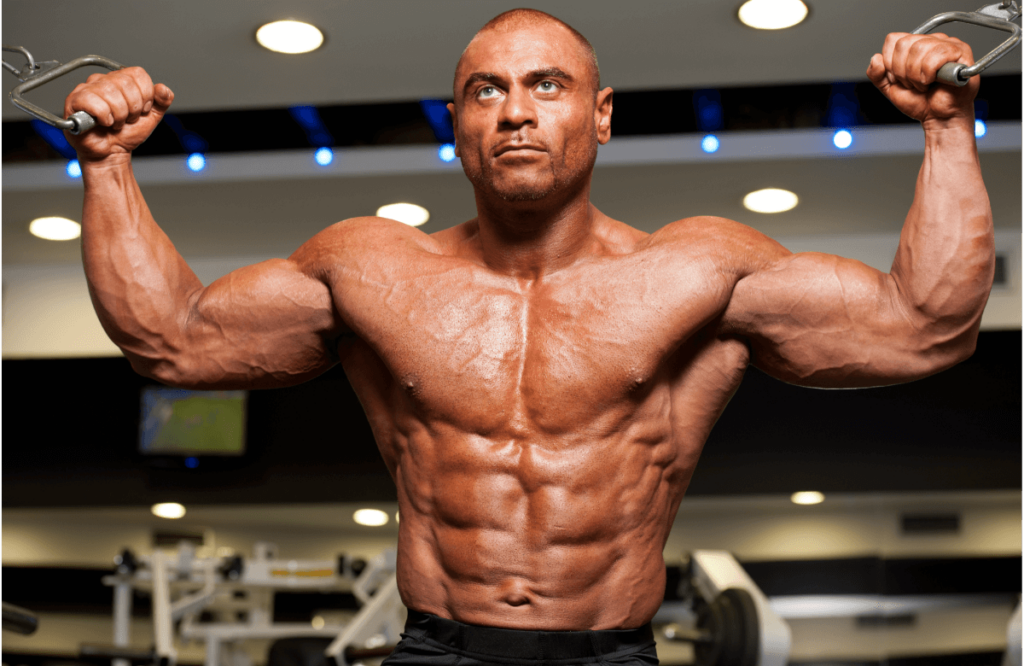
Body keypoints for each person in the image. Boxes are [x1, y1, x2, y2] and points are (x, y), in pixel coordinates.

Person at [64, 8, 994, 664]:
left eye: (548, 85)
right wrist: (106, 165)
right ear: (456, 127)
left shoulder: (699, 272)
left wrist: (948, 129)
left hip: (613, 653)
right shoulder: (370, 272)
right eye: (486, 91)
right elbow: (173, 342)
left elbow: (927, 330)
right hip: (438, 647)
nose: (515, 111)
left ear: (601, 115)